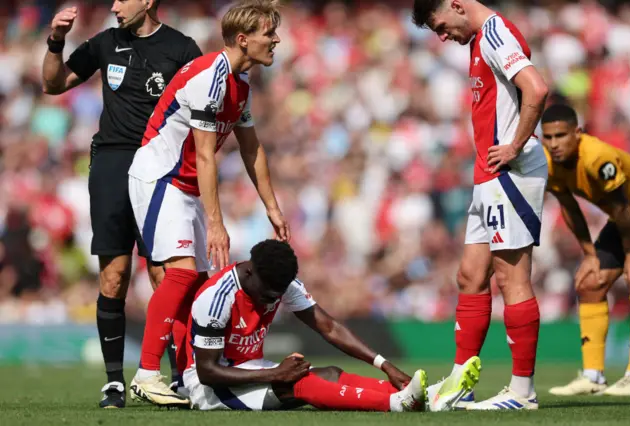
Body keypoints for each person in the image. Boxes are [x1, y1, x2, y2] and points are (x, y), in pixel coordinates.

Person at [127, 0, 290, 407]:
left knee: (199, 287)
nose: (276, 40)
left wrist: (271, 205)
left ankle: (185, 377)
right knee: (181, 277)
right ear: (242, 39)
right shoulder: (209, 77)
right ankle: (147, 374)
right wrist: (216, 223)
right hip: (160, 177)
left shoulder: (242, 84)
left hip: (186, 187)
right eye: (269, 33)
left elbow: (252, 149)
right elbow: (204, 155)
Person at [41, 1, 202, 408]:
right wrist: (56, 41)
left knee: (165, 275)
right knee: (113, 276)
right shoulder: (106, 43)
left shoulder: (182, 49)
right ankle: (114, 381)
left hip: (161, 167)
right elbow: (53, 84)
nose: (114, 6)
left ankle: (181, 376)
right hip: (112, 164)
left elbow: (206, 108)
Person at [412, 0, 549, 410]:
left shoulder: (493, 33)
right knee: (470, 276)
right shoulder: (479, 41)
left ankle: (523, 392)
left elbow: (536, 88)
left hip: (510, 173)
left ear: (456, 5)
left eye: (440, 26)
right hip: (487, 176)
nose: (442, 37)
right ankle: (460, 380)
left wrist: (515, 145)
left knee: (512, 279)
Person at [178, 239, 481, 412]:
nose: (273, 300)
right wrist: (275, 373)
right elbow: (207, 372)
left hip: (249, 368)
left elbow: (330, 327)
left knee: (332, 374)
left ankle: (425, 398)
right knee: (297, 383)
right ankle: (396, 403)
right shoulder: (217, 298)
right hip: (210, 389)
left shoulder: (281, 282)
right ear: (250, 273)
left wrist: (384, 364)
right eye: (269, 294)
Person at [541, 105, 630, 397]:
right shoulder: (548, 163)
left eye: (561, 135)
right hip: (627, 221)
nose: (554, 143)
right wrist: (589, 254)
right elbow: (569, 207)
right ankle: (593, 376)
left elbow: (621, 208)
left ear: (578, 133)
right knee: (589, 283)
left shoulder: (598, 158)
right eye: (548, 137)